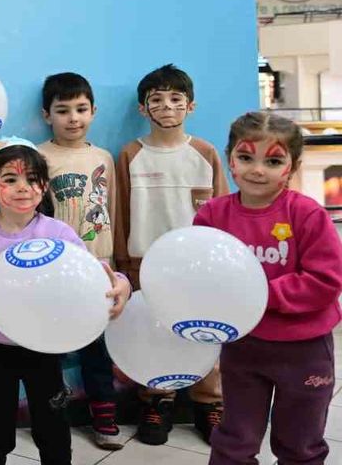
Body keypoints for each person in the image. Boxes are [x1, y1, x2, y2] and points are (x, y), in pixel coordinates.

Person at [0, 137, 131, 465]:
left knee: (52, 424)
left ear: (45, 186)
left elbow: (91, 271)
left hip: (45, 347)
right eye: (10, 179)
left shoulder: (58, 233)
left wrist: (121, 283)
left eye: (32, 179)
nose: (23, 187)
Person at [198, 112, 342, 465]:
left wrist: (259, 294)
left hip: (305, 350)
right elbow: (199, 274)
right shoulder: (212, 215)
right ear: (230, 157)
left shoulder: (307, 214)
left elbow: (325, 280)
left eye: (273, 161)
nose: (257, 170)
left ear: (293, 167)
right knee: (235, 440)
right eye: (246, 157)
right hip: (242, 347)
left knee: (300, 444)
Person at [115, 64, 227, 445]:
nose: (167, 107)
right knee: (153, 330)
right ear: (143, 108)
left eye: (176, 99)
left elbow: (223, 211)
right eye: (157, 100)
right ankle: (156, 400)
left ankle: (208, 402)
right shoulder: (131, 154)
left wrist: (220, 259)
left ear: (190, 106)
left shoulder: (205, 153)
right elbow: (120, 211)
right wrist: (124, 263)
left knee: (204, 331)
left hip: (197, 264)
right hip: (145, 263)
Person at [35, 73, 120, 450]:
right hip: (54, 268)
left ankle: (104, 413)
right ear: (46, 115)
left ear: (93, 111)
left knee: (95, 345)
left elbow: (111, 209)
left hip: (98, 265)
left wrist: (114, 261)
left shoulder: (103, 158)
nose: (73, 118)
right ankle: (51, 416)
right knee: (50, 346)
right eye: (63, 110)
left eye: (81, 109)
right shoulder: (39, 157)